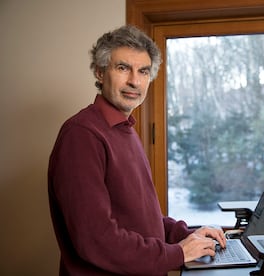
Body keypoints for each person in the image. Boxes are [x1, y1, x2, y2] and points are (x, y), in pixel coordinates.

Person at [48, 25, 226, 276]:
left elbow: (140, 219)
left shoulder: (125, 129)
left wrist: (185, 235)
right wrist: (179, 253)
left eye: (143, 71)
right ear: (100, 72)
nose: (134, 80)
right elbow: (96, 239)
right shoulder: (83, 135)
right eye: (122, 68)